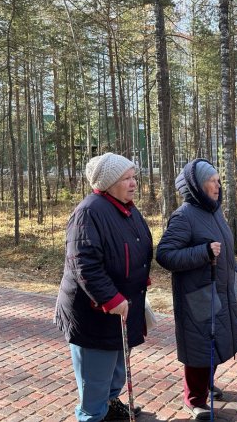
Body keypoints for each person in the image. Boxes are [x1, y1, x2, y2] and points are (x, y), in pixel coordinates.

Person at [55, 152, 153, 422]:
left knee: (116, 368)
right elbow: (83, 263)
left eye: (134, 177)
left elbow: (136, 245)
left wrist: (139, 278)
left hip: (123, 307)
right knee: (94, 381)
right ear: (109, 183)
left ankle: (110, 404)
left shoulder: (126, 208)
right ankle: (93, 415)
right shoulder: (89, 212)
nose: (134, 183)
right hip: (94, 314)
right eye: (127, 178)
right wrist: (110, 297)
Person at [156, 158, 237, 420]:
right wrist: (203, 252)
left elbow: (224, 245)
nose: (218, 185)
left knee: (216, 340)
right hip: (198, 294)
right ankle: (193, 399)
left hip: (221, 289)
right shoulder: (184, 216)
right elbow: (165, 255)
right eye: (212, 181)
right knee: (199, 346)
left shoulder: (214, 211)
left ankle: (205, 384)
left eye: (218, 180)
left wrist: (233, 268)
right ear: (197, 185)